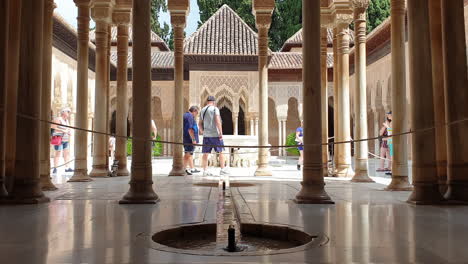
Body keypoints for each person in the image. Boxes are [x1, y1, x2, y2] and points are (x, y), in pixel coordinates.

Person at [199, 96, 229, 176]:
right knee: (221, 152)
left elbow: (199, 124)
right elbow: (218, 121)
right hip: (215, 135)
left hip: (206, 136)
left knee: (205, 153)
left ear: (207, 101)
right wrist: (220, 132)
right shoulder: (215, 109)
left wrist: (203, 132)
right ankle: (222, 169)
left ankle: (205, 171)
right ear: (214, 102)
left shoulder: (203, 110)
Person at [51, 107, 73, 174]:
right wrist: (63, 131)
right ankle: (55, 168)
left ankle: (67, 167)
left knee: (66, 153)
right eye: (68, 112)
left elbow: (67, 128)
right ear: (63, 112)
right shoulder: (58, 119)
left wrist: (68, 132)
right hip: (59, 138)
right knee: (58, 153)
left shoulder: (66, 120)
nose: (69, 113)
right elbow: (53, 127)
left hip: (65, 139)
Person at [183, 106, 200, 175]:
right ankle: (183, 169)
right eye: (197, 113)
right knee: (187, 154)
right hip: (189, 139)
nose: (196, 115)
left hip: (187, 138)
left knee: (189, 153)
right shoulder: (190, 116)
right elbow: (190, 129)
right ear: (194, 111)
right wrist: (193, 139)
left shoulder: (186, 115)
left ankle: (191, 168)